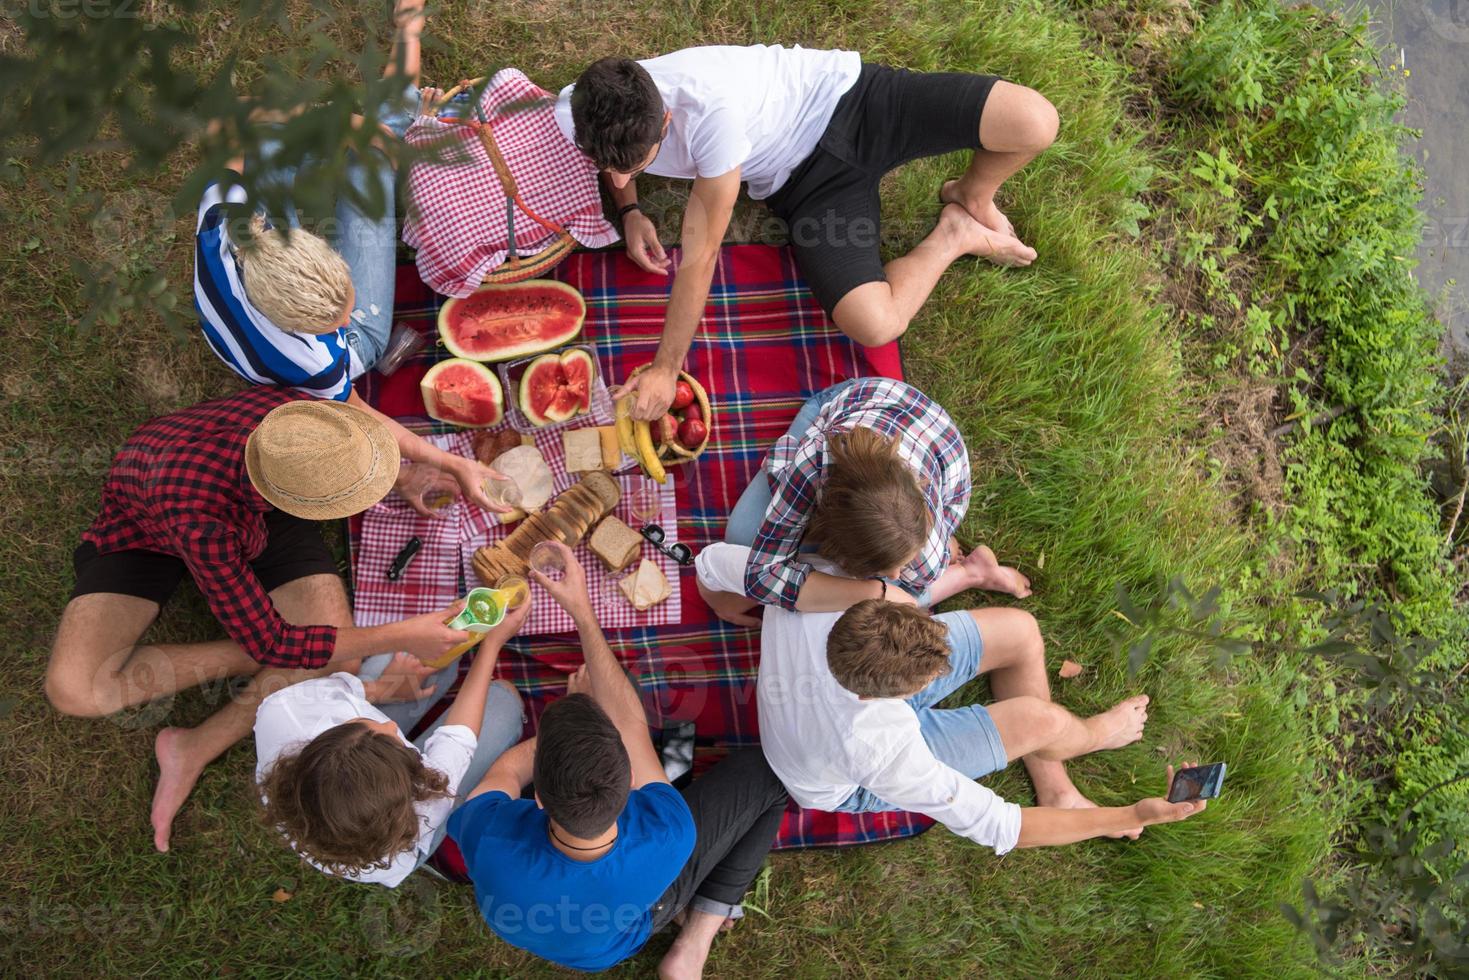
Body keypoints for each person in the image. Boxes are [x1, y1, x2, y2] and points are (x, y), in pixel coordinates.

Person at [44, 391, 478, 852]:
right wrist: (400, 635)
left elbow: (358, 426)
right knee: (77, 688)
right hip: (146, 533)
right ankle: (262, 653)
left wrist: (409, 473)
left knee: (330, 661)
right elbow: (274, 643)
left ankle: (194, 746)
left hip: (266, 508)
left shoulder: (297, 422)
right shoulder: (202, 524)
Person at [557, 46, 1058, 419]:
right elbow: (615, 167)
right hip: (810, 186)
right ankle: (953, 234)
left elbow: (700, 255)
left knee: (1036, 121)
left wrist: (666, 368)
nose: (618, 176)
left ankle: (972, 195)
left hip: (858, 97)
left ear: (665, 116)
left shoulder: (716, 120)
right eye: (605, 164)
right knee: (877, 324)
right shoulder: (576, 108)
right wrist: (629, 207)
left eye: (636, 165)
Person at [193, 0, 499, 517]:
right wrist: (456, 465)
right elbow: (363, 415)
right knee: (376, 166)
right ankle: (408, 37)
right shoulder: (315, 360)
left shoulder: (226, 218)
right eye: (338, 317)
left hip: (244, 318)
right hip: (283, 359)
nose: (351, 306)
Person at [696, 543, 1209, 848]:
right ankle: (1090, 737)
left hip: (837, 697)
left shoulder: (815, 586)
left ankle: (1057, 788)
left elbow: (711, 562)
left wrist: (721, 604)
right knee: (1040, 722)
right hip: (840, 777)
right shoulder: (887, 750)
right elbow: (1000, 827)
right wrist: (1132, 816)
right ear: (908, 695)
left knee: (1020, 632)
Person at [449, 543, 788, 979]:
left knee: (630, 700)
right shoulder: (668, 829)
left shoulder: (487, 833)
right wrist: (582, 612)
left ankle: (693, 932)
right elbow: (628, 721)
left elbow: (507, 771)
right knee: (770, 776)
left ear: (537, 800)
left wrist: (563, 735)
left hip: (579, 934)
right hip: (634, 921)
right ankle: (695, 939)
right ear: (631, 781)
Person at [705, 376, 1030, 626]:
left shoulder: (925, 556)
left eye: (899, 566)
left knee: (896, 598)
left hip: (933, 445)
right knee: (742, 537)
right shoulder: (813, 460)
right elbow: (761, 576)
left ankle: (971, 573)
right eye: (894, 569)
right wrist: (875, 590)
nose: (897, 572)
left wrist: (883, 591)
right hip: (851, 415)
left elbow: (904, 592)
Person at [253, 599, 530, 887]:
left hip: (360, 784)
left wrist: (385, 688)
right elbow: (458, 738)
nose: (391, 724)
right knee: (503, 700)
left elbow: (345, 692)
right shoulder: (420, 809)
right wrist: (492, 645)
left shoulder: (285, 711)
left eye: (362, 723)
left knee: (437, 651)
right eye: (396, 741)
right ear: (412, 781)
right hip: (408, 821)